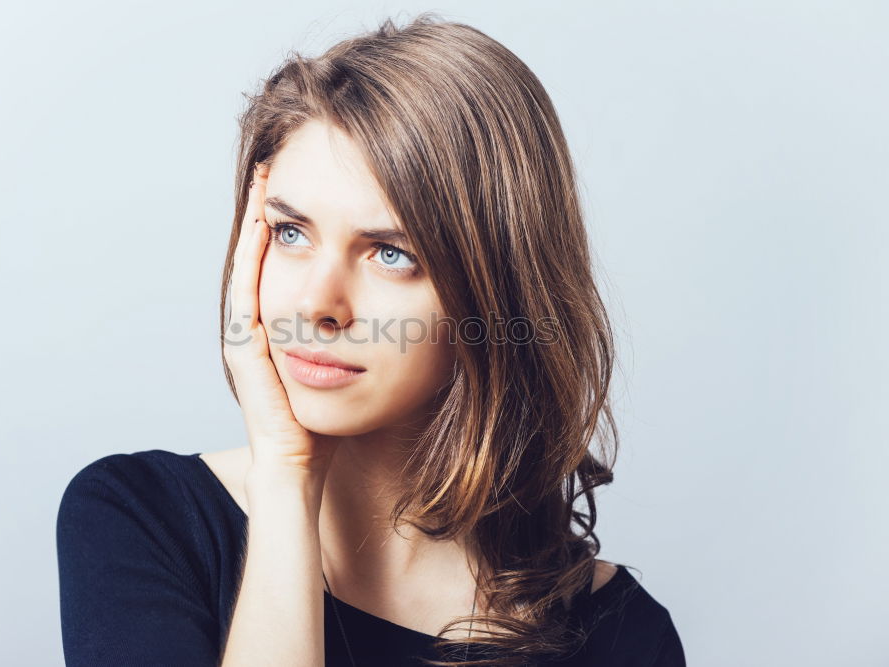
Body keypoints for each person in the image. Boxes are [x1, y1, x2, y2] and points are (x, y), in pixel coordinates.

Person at [57, 13, 686, 666]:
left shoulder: (619, 636)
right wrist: (286, 479)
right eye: (292, 233)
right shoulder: (142, 520)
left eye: (390, 252)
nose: (316, 304)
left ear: (496, 297)